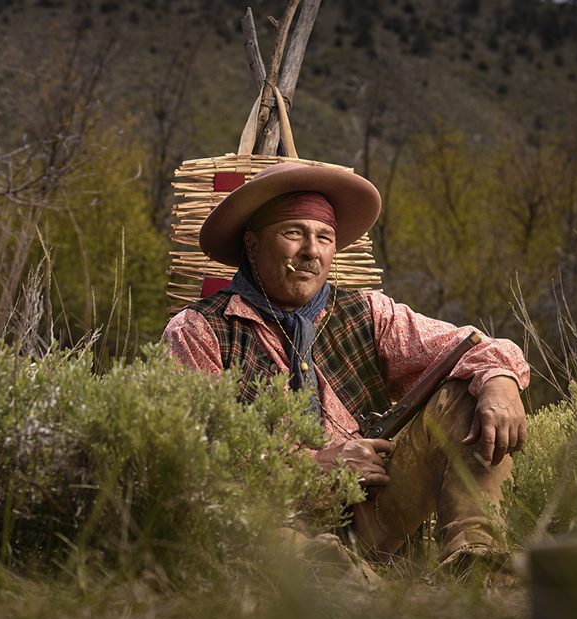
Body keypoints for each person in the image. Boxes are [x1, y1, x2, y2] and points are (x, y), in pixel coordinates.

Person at [163, 161, 529, 576]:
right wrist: (317, 465)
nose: (311, 251)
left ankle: (476, 559)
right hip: (269, 520)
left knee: (466, 392)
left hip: (375, 516)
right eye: (293, 233)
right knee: (223, 497)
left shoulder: (367, 313)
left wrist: (500, 383)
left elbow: (474, 346)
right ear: (251, 245)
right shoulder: (199, 330)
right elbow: (196, 456)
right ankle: (330, 575)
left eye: (325, 237)